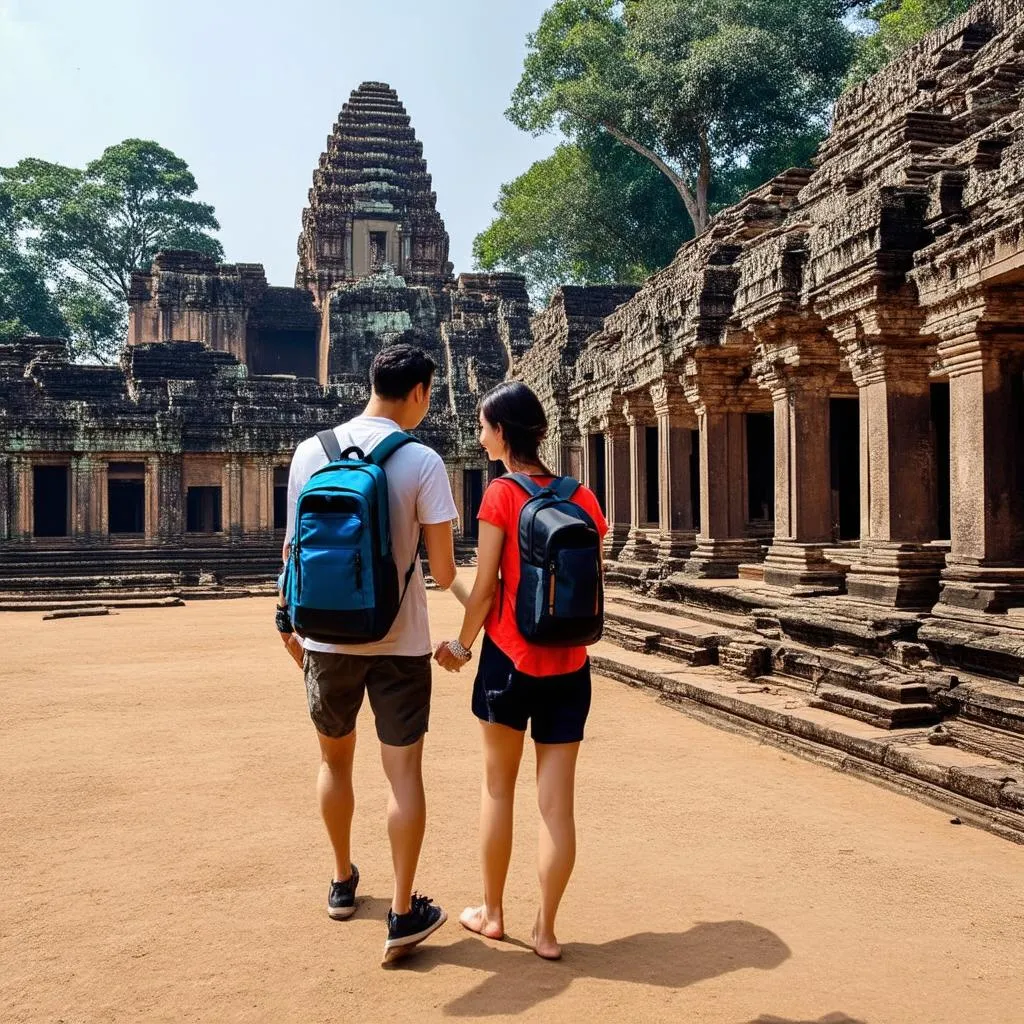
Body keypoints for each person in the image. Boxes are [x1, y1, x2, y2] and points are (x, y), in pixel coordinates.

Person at [276, 343, 458, 965]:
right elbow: (441, 568)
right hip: (400, 642)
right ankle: (404, 911)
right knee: (403, 774)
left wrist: (286, 619)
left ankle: (342, 882)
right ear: (419, 392)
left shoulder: (310, 452)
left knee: (335, 763)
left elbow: (293, 550)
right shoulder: (423, 461)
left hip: (325, 637)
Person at [435, 380, 608, 960]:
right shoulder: (582, 498)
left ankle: (492, 911)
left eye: (485, 426)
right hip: (571, 663)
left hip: (509, 660)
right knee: (558, 805)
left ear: (503, 432)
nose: (480, 435)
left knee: (497, 790)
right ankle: (548, 929)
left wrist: (460, 648)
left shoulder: (500, 495)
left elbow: (484, 589)